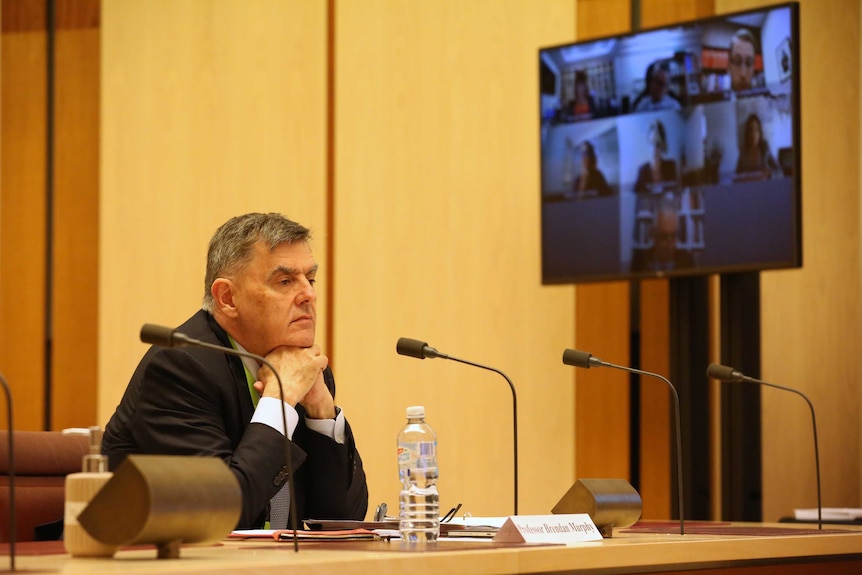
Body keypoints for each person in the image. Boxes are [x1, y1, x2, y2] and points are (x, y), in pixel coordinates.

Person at [102, 213, 368, 529]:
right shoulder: (180, 368)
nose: (308, 295)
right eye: (285, 281)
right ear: (227, 298)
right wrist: (279, 403)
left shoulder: (303, 369)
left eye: (309, 279)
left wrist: (321, 411)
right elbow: (221, 511)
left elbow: (344, 519)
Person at [631, 194, 695, 272]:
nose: (669, 244)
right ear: (652, 234)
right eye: (664, 237)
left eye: (673, 236)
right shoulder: (640, 260)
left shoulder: (686, 259)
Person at [634, 120, 678, 194]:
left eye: (657, 144)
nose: (654, 149)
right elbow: (637, 199)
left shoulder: (671, 166)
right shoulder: (642, 171)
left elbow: (676, 193)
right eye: (651, 143)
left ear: (663, 145)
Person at [735, 113, 780, 179]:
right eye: (751, 130)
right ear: (747, 133)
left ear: (760, 132)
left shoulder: (765, 148)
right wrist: (744, 175)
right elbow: (736, 175)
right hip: (748, 187)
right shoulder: (743, 150)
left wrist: (769, 173)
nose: (754, 134)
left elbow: (779, 171)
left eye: (756, 130)